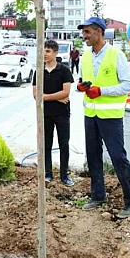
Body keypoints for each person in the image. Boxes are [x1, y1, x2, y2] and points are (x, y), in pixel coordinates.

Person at [76, 17, 130, 219]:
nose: (84, 36)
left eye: (87, 32)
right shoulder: (86, 55)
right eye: (83, 32)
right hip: (90, 114)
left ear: (98, 32)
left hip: (110, 116)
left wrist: (101, 90)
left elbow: (129, 85)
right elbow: (85, 80)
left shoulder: (115, 55)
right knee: (93, 156)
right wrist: (81, 86)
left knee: (118, 158)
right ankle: (98, 195)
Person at [32, 40, 75, 186]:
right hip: (45, 114)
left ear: (56, 53)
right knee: (46, 144)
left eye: (48, 51)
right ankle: (48, 173)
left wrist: (45, 96)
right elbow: (35, 94)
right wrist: (56, 98)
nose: (45, 54)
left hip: (62, 114)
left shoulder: (64, 71)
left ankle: (64, 175)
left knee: (64, 144)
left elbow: (66, 92)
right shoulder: (39, 71)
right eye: (43, 50)